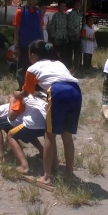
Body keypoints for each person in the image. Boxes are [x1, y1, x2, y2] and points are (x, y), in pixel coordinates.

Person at [14, 41, 81, 185]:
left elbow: (27, 93)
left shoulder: (32, 68)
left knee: (49, 136)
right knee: (67, 136)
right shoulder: (58, 63)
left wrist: (17, 95)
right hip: (76, 91)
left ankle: (46, 177)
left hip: (57, 92)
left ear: (32, 55)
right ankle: (68, 174)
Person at [5, 93, 48, 174]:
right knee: (35, 134)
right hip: (45, 125)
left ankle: (24, 166)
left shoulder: (24, 94)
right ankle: (53, 162)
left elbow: (11, 117)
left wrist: (12, 100)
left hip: (31, 124)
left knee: (11, 135)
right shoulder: (44, 93)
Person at [12, 0, 43, 89]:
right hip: (24, 45)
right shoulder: (20, 11)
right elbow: (16, 29)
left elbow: (41, 27)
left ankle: (35, 87)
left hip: (37, 45)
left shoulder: (38, 12)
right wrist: (16, 45)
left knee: (37, 67)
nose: (34, 1)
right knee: (23, 67)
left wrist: (42, 43)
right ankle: (22, 87)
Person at [47, 0, 69, 64]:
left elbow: (67, 27)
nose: (63, 7)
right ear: (58, 7)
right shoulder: (55, 16)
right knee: (56, 52)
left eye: (64, 6)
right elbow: (52, 27)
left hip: (64, 37)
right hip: (57, 37)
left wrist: (67, 36)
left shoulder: (66, 16)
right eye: (62, 6)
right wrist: (54, 37)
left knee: (64, 53)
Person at [67, 0, 84, 70]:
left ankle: (76, 66)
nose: (78, 6)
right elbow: (70, 24)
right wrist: (75, 32)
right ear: (74, 5)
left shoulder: (79, 13)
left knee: (78, 51)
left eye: (79, 5)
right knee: (70, 51)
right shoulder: (71, 13)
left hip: (78, 34)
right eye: (76, 5)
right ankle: (70, 66)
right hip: (72, 35)